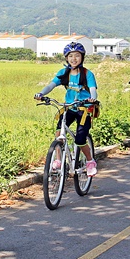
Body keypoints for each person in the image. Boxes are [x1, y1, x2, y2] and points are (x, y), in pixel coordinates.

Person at [34, 42, 99, 176]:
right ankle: (58, 160)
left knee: (80, 139)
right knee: (59, 132)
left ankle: (90, 161)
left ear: (82, 57)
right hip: (69, 107)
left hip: (84, 108)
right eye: (70, 56)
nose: (73, 59)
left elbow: (93, 90)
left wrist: (92, 98)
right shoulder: (64, 73)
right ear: (66, 58)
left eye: (77, 56)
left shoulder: (87, 74)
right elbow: (51, 85)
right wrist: (41, 94)